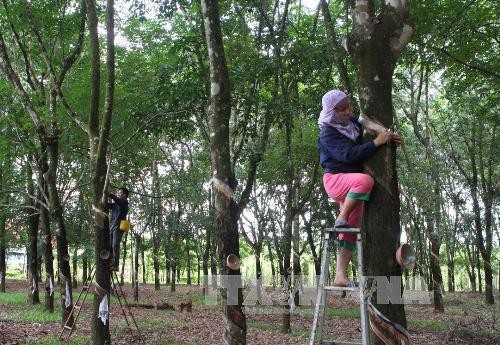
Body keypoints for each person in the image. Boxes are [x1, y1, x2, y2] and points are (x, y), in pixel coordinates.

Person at [318, 90, 402, 287]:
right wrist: (376, 142)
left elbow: (364, 121)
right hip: (336, 180)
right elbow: (348, 155)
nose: (348, 111)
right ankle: (341, 218)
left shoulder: (350, 123)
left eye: (349, 106)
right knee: (365, 181)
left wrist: (388, 135)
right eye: (342, 109)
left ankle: (340, 274)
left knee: (351, 229)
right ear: (332, 111)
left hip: (350, 186)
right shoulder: (328, 132)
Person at [109, 187, 129, 271]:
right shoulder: (116, 204)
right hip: (112, 227)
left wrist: (109, 194)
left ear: (125, 195)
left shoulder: (124, 203)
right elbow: (106, 205)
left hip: (119, 226)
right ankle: (109, 262)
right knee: (109, 246)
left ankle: (115, 265)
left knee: (115, 245)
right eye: (118, 193)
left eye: (120, 193)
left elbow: (118, 200)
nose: (118, 194)